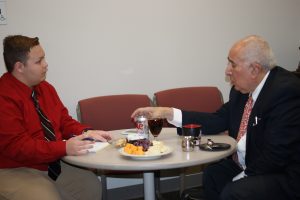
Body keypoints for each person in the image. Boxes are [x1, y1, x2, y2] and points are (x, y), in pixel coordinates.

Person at [131, 35, 300, 200]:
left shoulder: (286, 92)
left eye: (232, 64)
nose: (227, 70)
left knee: (233, 191)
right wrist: (167, 112)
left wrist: (241, 177)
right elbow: (216, 120)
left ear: (254, 69)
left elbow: (276, 155)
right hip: (250, 163)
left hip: (282, 173)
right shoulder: (241, 90)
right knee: (213, 174)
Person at [0, 35, 112, 200]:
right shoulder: (4, 97)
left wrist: (87, 132)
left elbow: (64, 122)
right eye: (39, 61)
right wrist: (64, 148)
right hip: (14, 168)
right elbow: (19, 147)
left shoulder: (45, 88)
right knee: (47, 197)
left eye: (44, 58)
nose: (46, 64)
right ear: (19, 67)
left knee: (90, 186)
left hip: (52, 161)